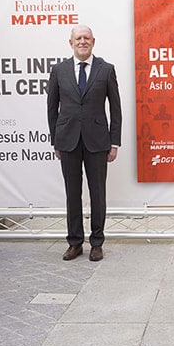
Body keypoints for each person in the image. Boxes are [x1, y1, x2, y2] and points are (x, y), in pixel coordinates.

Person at [47, 25, 122, 262]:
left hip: (98, 141)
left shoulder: (106, 69)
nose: (82, 42)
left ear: (93, 41)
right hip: (67, 140)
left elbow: (116, 108)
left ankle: (97, 242)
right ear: (71, 42)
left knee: (98, 192)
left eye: (86, 38)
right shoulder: (58, 70)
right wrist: (55, 141)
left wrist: (115, 142)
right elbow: (52, 108)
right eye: (78, 38)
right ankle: (75, 242)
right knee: (72, 193)